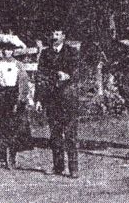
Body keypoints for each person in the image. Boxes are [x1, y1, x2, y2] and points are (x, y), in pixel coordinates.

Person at [35, 25, 81, 178]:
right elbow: (40, 76)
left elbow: (77, 72)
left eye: (58, 33)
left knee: (70, 134)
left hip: (68, 98)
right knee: (55, 134)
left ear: (63, 36)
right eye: (53, 33)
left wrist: (68, 76)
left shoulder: (71, 52)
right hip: (51, 98)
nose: (55, 37)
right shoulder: (46, 53)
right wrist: (39, 99)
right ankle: (58, 166)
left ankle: (73, 168)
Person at [0, 34, 34, 169]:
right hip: (1, 97)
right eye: (4, 49)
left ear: (13, 51)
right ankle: (2, 158)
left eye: (9, 49)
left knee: (14, 128)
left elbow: (23, 83)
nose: (6, 52)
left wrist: (20, 100)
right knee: (0, 127)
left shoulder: (18, 65)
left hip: (14, 97)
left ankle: (12, 159)